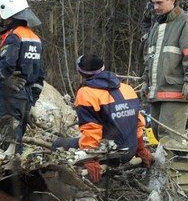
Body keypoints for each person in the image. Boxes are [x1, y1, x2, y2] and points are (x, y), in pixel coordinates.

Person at [53, 54, 153, 183]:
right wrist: (140, 149)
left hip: (110, 154)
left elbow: (91, 129)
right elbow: (138, 123)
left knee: (57, 145)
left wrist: (89, 159)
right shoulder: (127, 88)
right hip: (130, 150)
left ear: (81, 72)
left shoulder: (86, 93)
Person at [0, 0, 45, 152]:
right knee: (16, 141)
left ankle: (9, 176)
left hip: (9, 97)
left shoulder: (13, 37)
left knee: (6, 143)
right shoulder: (34, 38)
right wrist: (32, 100)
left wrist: (6, 79)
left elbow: (7, 65)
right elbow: (40, 75)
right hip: (25, 98)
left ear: (6, 10)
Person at [144, 0, 188, 143]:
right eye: (153, 3)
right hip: (157, 92)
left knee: (170, 139)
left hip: (176, 92)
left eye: (159, 3)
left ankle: (171, 168)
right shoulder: (157, 25)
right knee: (156, 135)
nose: (155, 7)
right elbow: (149, 58)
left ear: (172, 0)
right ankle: (163, 167)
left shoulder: (186, 23)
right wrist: (146, 82)